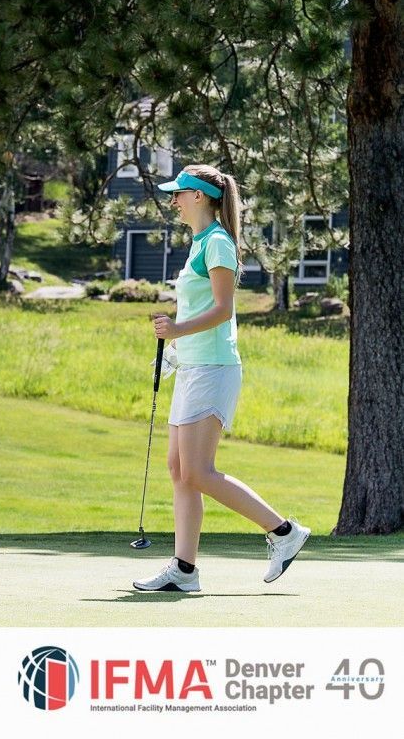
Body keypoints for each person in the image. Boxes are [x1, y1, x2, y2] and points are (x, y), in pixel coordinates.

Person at [133, 165, 309, 593]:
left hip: (214, 370)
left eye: (179, 193)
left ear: (200, 197)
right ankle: (184, 570)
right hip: (195, 366)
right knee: (179, 470)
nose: (173, 200)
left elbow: (222, 310)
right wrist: (175, 351)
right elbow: (200, 313)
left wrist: (175, 331)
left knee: (198, 472)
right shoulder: (200, 243)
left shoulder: (217, 243)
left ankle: (284, 532)